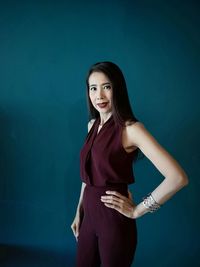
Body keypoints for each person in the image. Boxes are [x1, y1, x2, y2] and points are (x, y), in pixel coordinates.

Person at [71, 61, 189, 267]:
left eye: (106, 87)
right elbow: (88, 175)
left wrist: (137, 211)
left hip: (114, 223)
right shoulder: (91, 125)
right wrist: (79, 211)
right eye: (93, 88)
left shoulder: (131, 129)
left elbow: (178, 178)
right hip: (88, 218)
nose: (99, 95)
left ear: (118, 89)